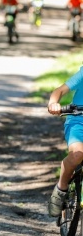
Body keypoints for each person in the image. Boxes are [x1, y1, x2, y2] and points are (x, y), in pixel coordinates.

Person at [47, 69, 83, 217]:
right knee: (77, 155)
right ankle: (61, 188)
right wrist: (53, 103)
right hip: (79, 121)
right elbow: (60, 90)